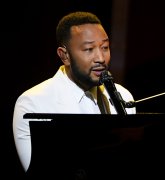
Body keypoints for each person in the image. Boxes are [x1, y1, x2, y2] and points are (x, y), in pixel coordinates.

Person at [12, 11, 136, 172]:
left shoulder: (123, 96)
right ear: (65, 56)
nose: (100, 57)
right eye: (89, 49)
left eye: (105, 47)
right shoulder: (33, 103)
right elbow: (40, 173)